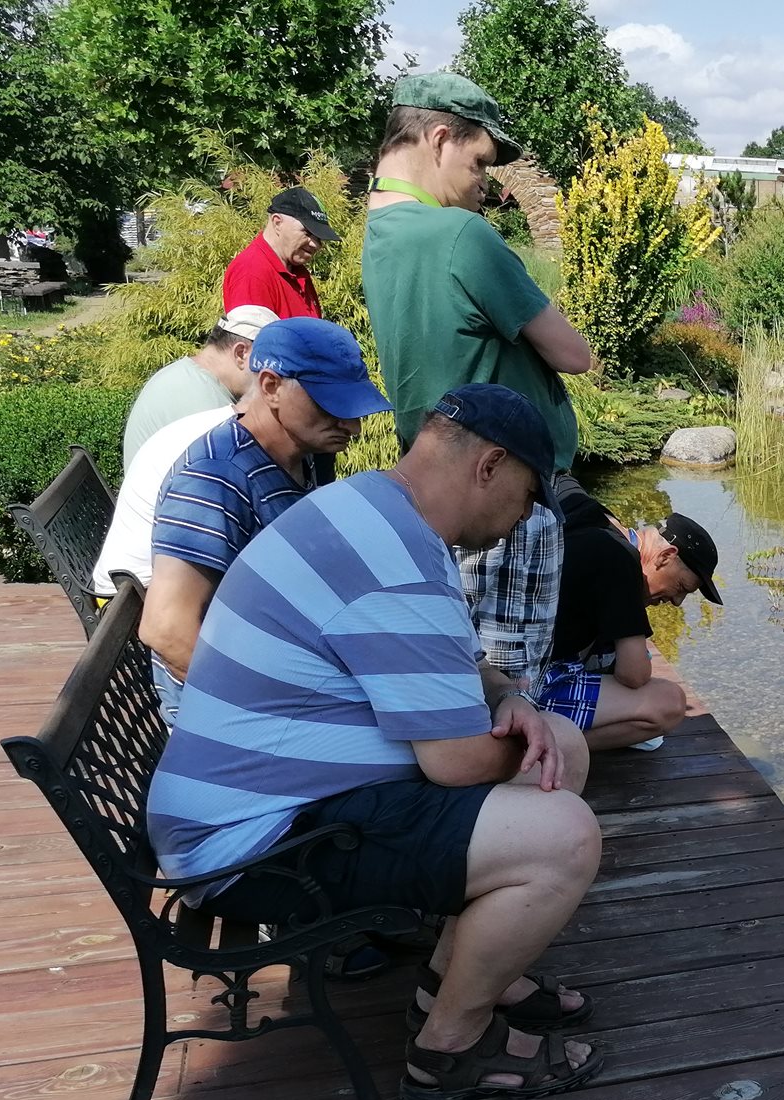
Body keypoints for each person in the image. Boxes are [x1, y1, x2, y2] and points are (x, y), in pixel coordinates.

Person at [147, 384, 603, 1100]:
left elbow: (457, 666)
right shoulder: (397, 560)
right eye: (526, 497)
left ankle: (459, 979)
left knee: (561, 749)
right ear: (489, 466)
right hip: (252, 846)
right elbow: (456, 763)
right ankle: (448, 1049)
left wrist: (514, 702)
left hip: (254, 803)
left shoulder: (373, 511)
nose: (524, 518)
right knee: (565, 836)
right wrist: (532, 746)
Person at [362, 73, 596, 700]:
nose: (485, 183)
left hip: (439, 485)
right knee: (509, 688)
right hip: (502, 497)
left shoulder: (380, 235)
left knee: (458, 669)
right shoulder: (459, 235)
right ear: (440, 138)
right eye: (480, 162)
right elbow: (574, 355)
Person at [140, 316, 387, 719]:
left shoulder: (300, 455)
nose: (353, 427)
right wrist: (270, 715)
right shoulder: (217, 478)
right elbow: (166, 629)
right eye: (331, 405)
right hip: (229, 713)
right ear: (271, 386)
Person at [536, 491, 721, 751]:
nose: (677, 601)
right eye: (681, 587)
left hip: (505, 672)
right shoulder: (621, 559)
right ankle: (550, 747)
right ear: (665, 556)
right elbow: (634, 674)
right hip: (534, 686)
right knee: (669, 704)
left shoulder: (593, 516)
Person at [118, 305, 276, 474]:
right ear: (241, 353)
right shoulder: (205, 403)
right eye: (268, 363)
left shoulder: (185, 376)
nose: (272, 376)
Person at [221, 187, 334, 319]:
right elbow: (252, 332)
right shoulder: (252, 272)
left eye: (319, 238)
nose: (315, 244)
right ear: (277, 223)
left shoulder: (296, 270)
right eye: (308, 233)